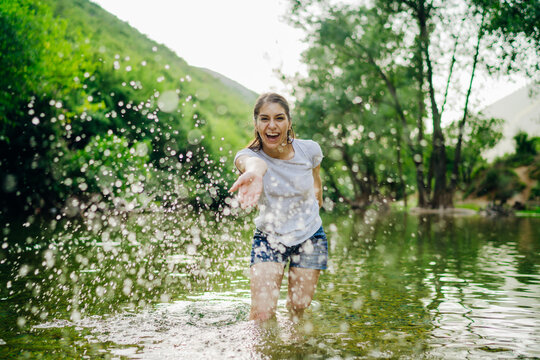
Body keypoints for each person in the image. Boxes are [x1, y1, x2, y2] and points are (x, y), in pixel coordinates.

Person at [229, 92, 328, 322]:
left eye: (279, 118)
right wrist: (253, 172)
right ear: (256, 123)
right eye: (264, 119)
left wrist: (316, 202)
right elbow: (255, 164)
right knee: (261, 315)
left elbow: (316, 180)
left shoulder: (310, 150)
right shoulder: (247, 156)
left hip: (310, 237)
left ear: (289, 122)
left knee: (298, 307)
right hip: (269, 238)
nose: (272, 125)